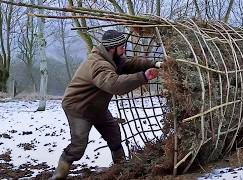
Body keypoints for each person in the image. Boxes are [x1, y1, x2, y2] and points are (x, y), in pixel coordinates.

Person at [50, 30, 162, 180]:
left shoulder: (113, 59)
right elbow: (114, 85)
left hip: (97, 107)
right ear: (112, 48)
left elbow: (131, 63)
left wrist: (155, 63)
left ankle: (121, 169)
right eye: (121, 46)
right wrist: (143, 76)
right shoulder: (98, 64)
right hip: (79, 108)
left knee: (114, 134)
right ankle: (58, 176)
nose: (124, 49)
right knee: (78, 148)